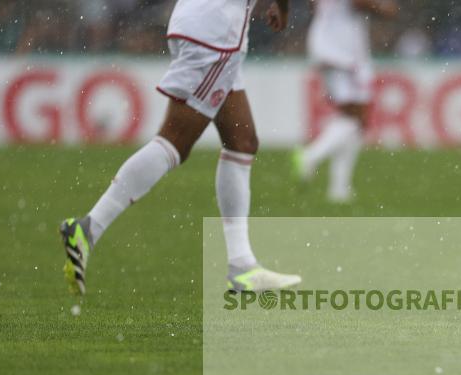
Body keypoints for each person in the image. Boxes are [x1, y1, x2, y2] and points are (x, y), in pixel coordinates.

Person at [61, 0, 301, 295]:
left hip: (199, 20)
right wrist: (284, 7)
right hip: (216, 32)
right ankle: (88, 228)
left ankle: (242, 266)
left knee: (242, 141)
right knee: (175, 142)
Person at [293, 0, 398, 202]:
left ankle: (339, 188)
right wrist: (383, 8)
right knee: (357, 117)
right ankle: (310, 156)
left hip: (329, 45)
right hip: (342, 52)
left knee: (351, 117)